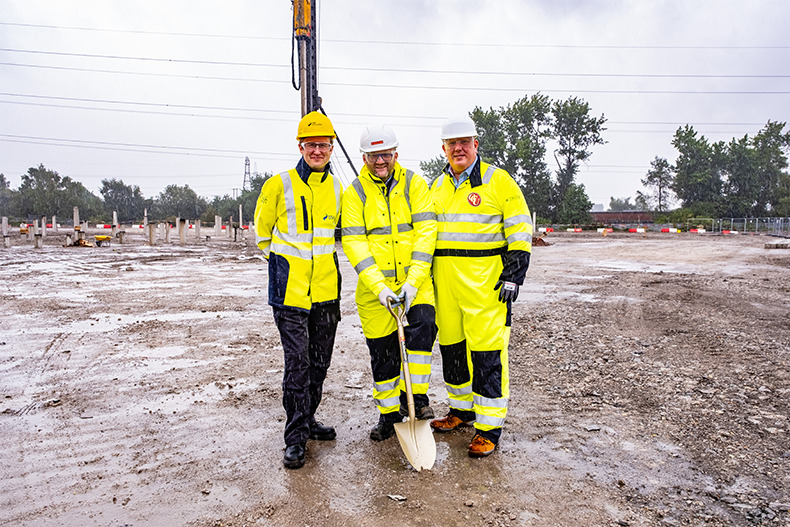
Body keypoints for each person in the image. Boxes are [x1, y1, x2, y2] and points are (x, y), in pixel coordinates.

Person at [429, 114, 533, 457]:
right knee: (453, 350)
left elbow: (519, 232)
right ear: (443, 148)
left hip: (485, 287)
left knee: (487, 354)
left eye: (464, 143)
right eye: (452, 144)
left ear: (476, 144)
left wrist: (513, 276)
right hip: (446, 284)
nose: (458, 149)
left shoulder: (499, 182)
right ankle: (461, 410)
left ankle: (488, 427)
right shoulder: (438, 186)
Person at [253, 111, 344, 469]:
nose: (317, 151)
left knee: (319, 365)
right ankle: (295, 438)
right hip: (289, 294)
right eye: (311, 145)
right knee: (298, 365)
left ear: (331, 147)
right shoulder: (278, 185)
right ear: (300, 146)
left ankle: (308, 420)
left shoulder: (338, 189)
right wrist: (284, 268)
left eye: (323, 145)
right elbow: (263, 235)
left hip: (326, 293)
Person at [341, 124, 438, 442]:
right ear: (364, 157)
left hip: (416, 284)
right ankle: (388, 415)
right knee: (382, 355)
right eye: (373, 156)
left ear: (395, 154)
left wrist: (412, 284)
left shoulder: (415, 184)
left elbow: (426, 235)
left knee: (422, 332)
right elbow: (355, 245)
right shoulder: (354, 193)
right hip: (375, 292)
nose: (380, 161)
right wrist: (381, 289)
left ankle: (417, 400)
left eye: (385, 154)